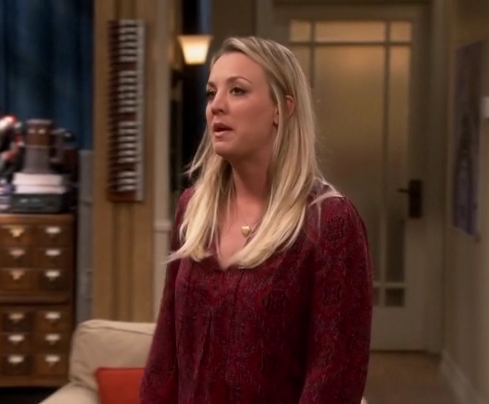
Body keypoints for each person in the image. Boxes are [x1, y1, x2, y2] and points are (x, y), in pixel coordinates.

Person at [139, 36, 373, 403]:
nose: (216, 106)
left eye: (237, 90)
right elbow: (165, 352)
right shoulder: (193, 207)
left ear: (282, 108)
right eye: (211, 93)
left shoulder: (329, 222)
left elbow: (334, 379)